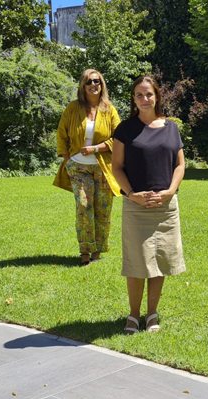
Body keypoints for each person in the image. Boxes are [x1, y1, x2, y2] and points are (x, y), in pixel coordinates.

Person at [111, 75, 186, 334]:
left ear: (157, 96)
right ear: (133, 99)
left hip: (166, 207)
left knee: (160, 261)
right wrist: (131, 194)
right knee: (137, 261)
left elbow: (180, 164)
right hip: (136, 205)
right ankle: (133, 316)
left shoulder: (171, 128)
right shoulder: (124, 129)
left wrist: (170, 191)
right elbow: (117, 168)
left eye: (149, 94)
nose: (145, 99)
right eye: (139, 95)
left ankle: (152, 315)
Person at [54, 69, 122, 265]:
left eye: (97, 81)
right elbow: (61, 135)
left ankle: (97, 252)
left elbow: (119, 137)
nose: (94, 85)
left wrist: (96, 148)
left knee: (103, 210)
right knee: (84, 207)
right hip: (79, 167)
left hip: (104, 168)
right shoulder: (73, 108)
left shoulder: (109, 109)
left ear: (102, 85)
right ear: (83, 86)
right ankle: (85, 251)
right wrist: (68, 160)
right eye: (89, 82)